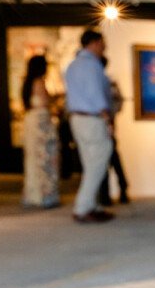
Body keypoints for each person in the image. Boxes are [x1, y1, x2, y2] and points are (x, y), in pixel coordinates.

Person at [64, 29, 114, 223]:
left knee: (90, 162)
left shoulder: (73, 65)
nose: (105, 46)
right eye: (103, 42)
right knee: (99, 161)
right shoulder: (92, 65)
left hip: (78, 119)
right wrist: (107, 118)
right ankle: (83, 207)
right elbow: (96, 93)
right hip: (92, 119)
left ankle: (92, 205)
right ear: (94, 43)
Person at [21, 55, 60, 209]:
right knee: (44, 158)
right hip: (41, 122)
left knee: (33, 158)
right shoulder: (39, 82)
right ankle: (44, 195)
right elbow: (45, 101)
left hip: (31, 121)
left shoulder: (27, 83)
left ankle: (34, 194)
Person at [98, 56, 129, 206]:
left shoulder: (108, 83)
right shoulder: (102, 82)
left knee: (111, 158)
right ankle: (107, 193)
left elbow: (118, 102)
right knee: (107, 159)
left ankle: (119, 189)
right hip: (101, 123)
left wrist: (109, 115)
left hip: (106, 123)